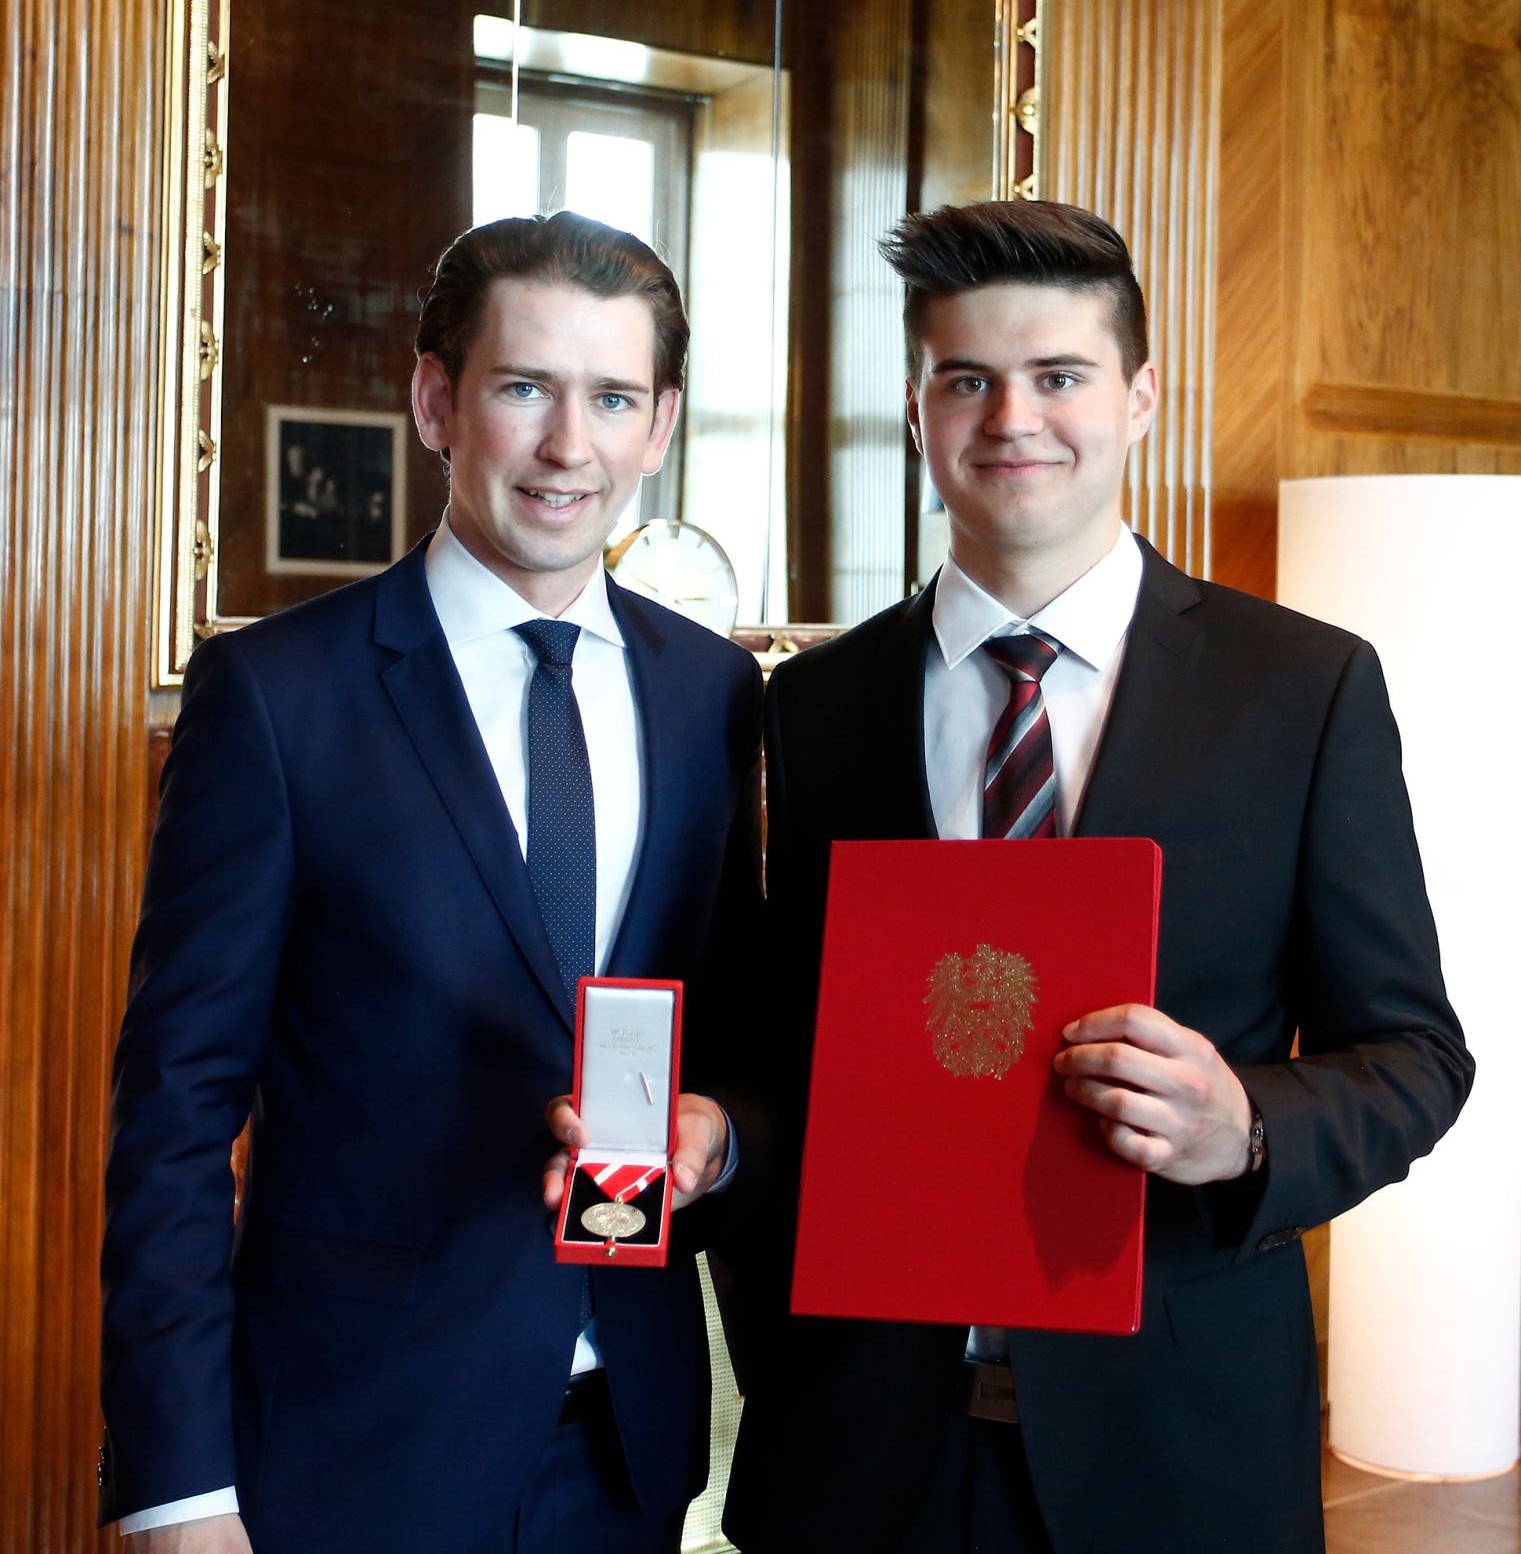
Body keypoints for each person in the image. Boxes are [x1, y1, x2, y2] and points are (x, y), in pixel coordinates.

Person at [722, 199, 1473, 1554]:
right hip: (858, 1443)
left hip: (1176, 1440)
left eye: (1057, 376)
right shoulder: (809, 708)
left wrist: (1240, 1125)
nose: (1011, 418)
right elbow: (777, 1054)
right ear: (916, 411)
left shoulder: (1299, 688)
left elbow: (1414, 1057)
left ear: (1136, 398)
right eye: (967, 380)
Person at [100, 211, 763, 1554]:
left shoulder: (714, 696)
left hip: (628, 1452)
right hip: (351, 1449)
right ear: (434, 401)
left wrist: (722, 1131)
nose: (567, 445)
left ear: (661, 424)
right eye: (524, 388)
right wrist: (181, 1489)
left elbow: (743, 1026)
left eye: (612, 398)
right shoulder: (279, 697)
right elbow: (175, 1112)